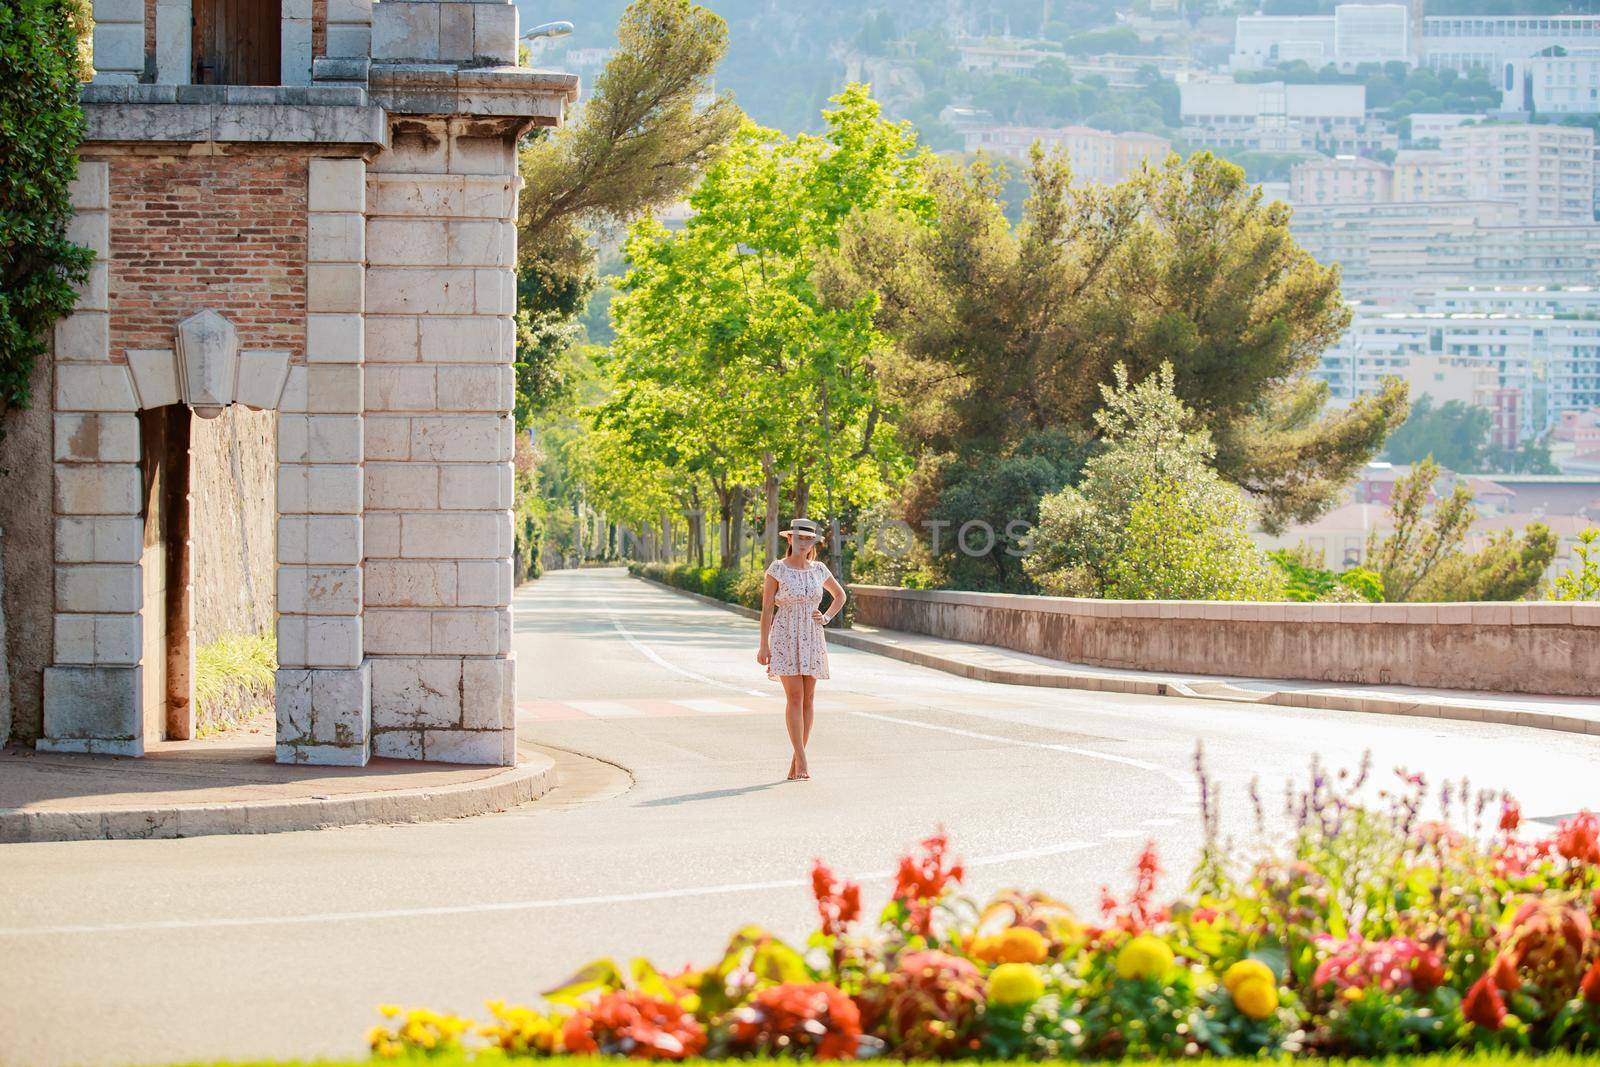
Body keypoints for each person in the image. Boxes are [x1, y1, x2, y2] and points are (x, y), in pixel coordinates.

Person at [756, 517, 846, 781]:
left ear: (813, 542)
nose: (804, 543)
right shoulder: (777, 569)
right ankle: (803, 759)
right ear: (790, 539)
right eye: (799, 538)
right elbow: (766, 609)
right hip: (785, 634)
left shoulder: (819, 569)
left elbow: (840, 595)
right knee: (794, 697)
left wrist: (826, 617)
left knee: (808, 699)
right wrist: (764, 644)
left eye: (809, 539)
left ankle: (796, 761)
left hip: (812, 635)